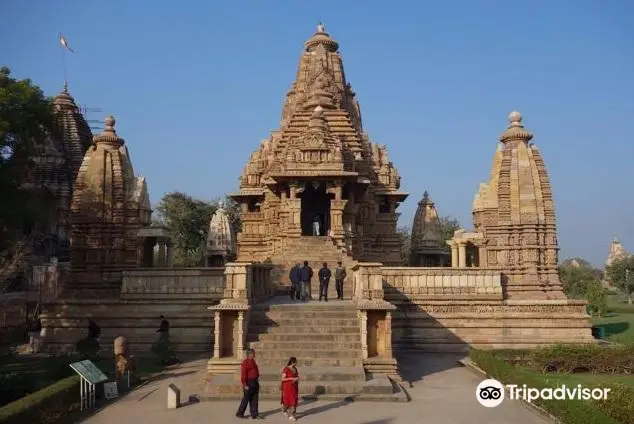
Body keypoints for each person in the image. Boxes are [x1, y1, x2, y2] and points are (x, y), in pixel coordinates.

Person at [236, 349, 262, 419]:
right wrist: (245, 384)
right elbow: (243, 374)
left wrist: (257, 380)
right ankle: (240, 413)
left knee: (255, 399)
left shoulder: (253, 361)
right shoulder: (245, 362)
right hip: (248, 382)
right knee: (246, 399)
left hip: (255, 381)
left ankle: (255, 414)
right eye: (253, 353)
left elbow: (256, 371)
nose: (254, 355)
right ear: (250, 354)